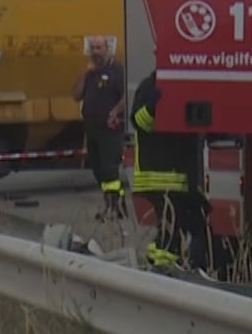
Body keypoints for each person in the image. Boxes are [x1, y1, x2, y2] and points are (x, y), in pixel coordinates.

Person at [129, 71, 212, 275]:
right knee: (174, 232)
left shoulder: (185, 82)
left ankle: (171, 269)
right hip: (161, 178)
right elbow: (141, 122)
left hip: (182, 179)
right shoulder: (150, 86)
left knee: (188, 229)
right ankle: (163, 272)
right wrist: (154, 106)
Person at [73, 37, 126, 220]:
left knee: (109, 169)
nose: (95, 51)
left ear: (107, 49)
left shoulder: (117, 71)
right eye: (93, 48)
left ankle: (113, 208)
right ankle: (116, 205)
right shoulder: (90, 73)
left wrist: (115, 111)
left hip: (110, 129)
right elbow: (76, 95)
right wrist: (84, 73)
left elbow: (127, 94)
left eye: (99, 48)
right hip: (92, 128)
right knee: (97, 169)